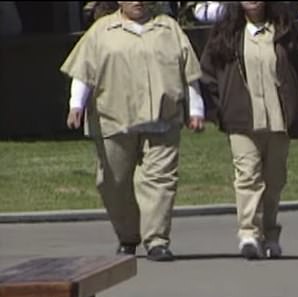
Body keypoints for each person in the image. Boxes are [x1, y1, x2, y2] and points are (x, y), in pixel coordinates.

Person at [61, 1, 205, 262]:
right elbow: (83, 73)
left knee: (160, 180)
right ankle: (128, 235)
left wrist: (196, 110)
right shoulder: (101, 31)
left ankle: (157, 240)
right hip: (114, 118)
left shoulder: (169, 29)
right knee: (112, 182)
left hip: (163, 117)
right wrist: (76, 105)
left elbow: (190, 73)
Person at [200, 1, 298, 260]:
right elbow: (207, 75)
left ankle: (270, 234)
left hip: (279, 121)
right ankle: (248, 233)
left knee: (274, 181)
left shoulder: (286, 32)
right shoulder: (226, 33)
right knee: (248, 176)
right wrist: (218, 112)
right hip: (241, 121)